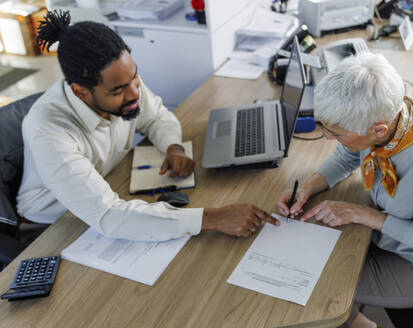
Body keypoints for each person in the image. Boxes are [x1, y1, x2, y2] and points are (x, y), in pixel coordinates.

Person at [16, 10, 279, 242]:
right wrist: (212, 218)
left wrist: (173, 147)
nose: (134, 94)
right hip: (54, 225)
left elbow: (156, 117)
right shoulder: (48, 130)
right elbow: (108, 215)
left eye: (134, 77)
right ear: (81, 92)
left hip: (107, 189)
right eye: (119, 89)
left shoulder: (123, 85)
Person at [276, 53, 413, 328]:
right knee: (311, 258)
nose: (329, 138)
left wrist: (361, 214)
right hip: (386, 239)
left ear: (378, 130)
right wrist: (307, 187)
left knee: (313, 285)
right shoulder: (389, 119)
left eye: (336, 134)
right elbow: (346, 156)